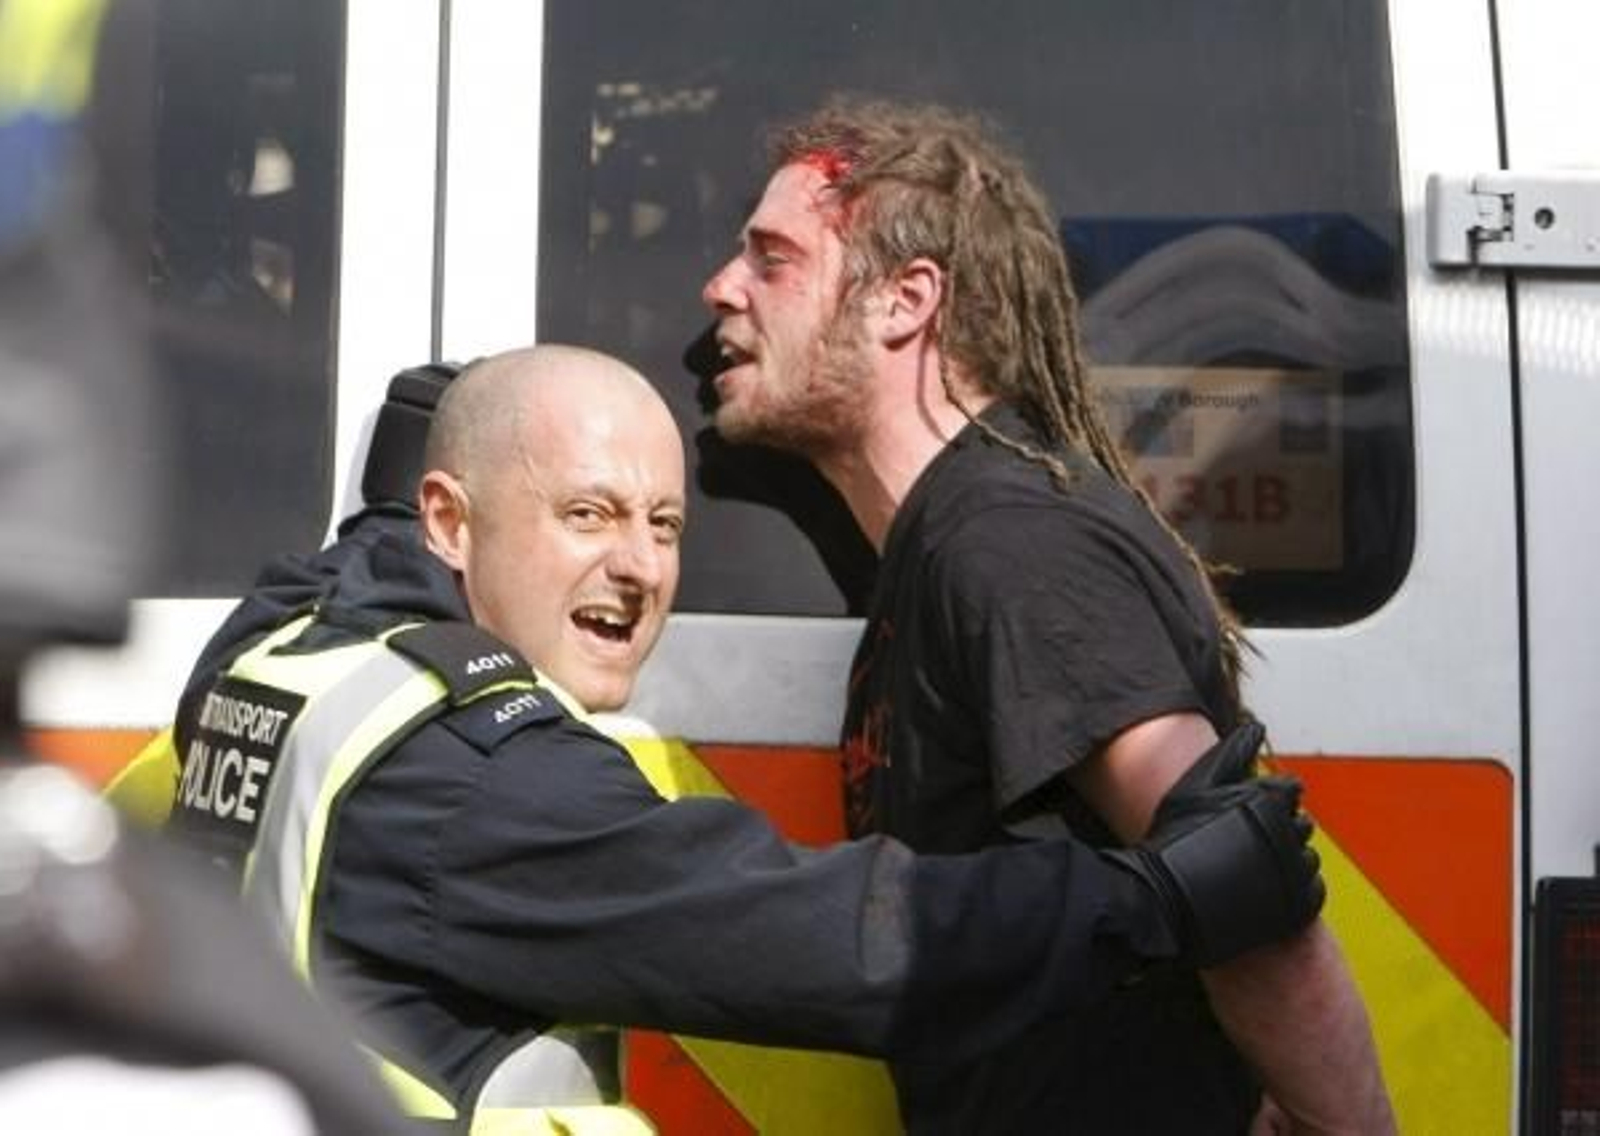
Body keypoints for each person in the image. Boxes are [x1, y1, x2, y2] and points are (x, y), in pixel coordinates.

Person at [161, 343, 1324, 1134]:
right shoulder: (470, 774)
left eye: (663, 523)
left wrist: (400, 507)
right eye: (586, 513)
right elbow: (825, 941)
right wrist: (1157, 899)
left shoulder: (283, 653)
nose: (638, 565)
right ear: (449, 518)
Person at [700, 97, 1396, 1134]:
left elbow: (1232, 868)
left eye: (772, 258)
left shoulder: (1010, 545)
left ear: (905, 300)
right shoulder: (946, 543)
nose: (719, 288)